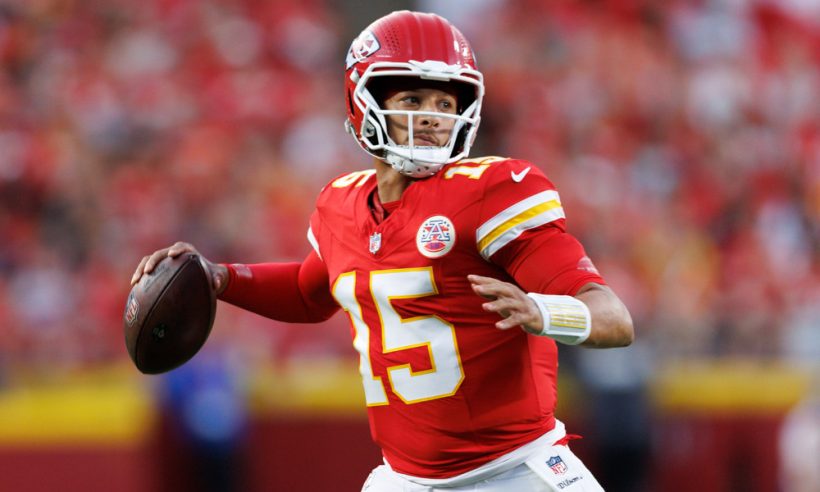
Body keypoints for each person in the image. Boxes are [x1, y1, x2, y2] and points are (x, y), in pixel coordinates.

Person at [131, 10, 633, 491]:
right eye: (413, 99)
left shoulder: (494, 190)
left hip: (514, 473)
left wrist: (543, 311)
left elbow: (613, 319)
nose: (434, 118)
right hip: (404, 480)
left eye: (445, 103)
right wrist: (222, 279)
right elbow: (311, 293)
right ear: (362, 100)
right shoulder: (341, 203)